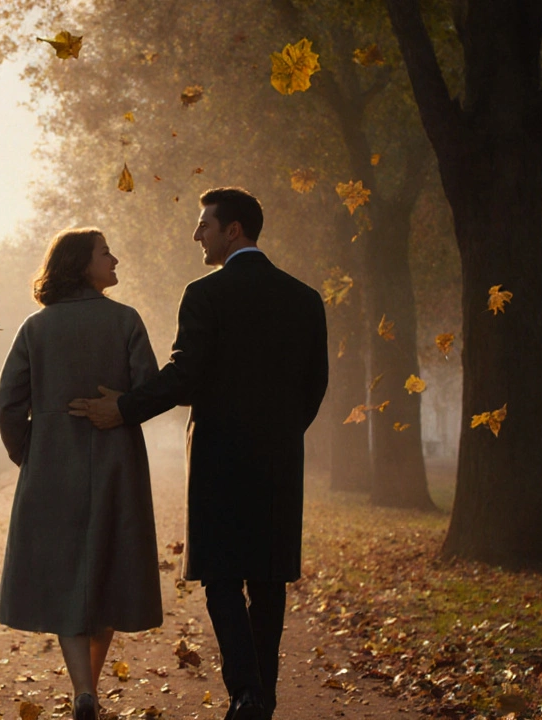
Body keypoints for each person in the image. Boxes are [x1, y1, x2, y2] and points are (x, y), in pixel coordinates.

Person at [70, 188, 329, 720]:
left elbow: (186, 375)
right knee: (268, 579)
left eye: (204, 224)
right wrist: (280, 432)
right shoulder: (304, 298)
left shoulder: (205, 293)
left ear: (233, 230)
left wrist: (126, 408)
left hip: (218, 458)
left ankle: (246, 694)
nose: (197, 234)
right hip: (280, 460)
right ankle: (265, 696)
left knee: (222, 579)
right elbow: (315, 384)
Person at [0, 228, 163, 720]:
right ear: (80, 263)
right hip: (117, 464)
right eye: (105, 252)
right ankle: (86, 689)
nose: (115, 258)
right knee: (108, 570)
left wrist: (30, 451)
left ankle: (83, 691)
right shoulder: (126, 320)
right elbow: (149, 389)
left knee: (69, 574)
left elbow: (9, 402)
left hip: (52, 464)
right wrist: (121, 408)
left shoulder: (35, 328)